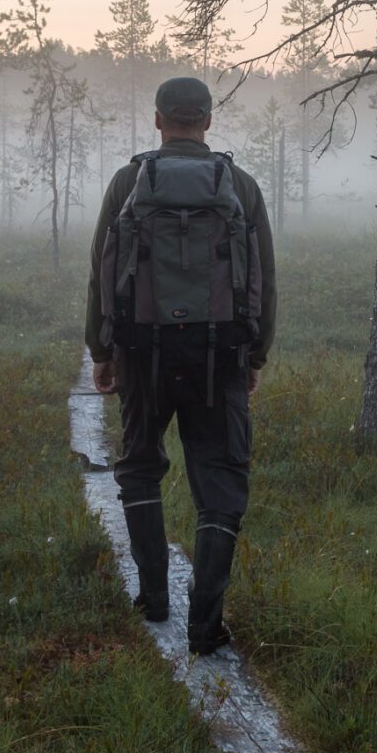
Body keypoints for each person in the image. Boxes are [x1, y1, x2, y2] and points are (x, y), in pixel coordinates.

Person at [85, 76, 276, 656]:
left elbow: (101, 270)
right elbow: (265, 280)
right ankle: (206, 624)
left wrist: (102, 350)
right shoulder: (239, 185)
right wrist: (255, 355)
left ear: (160, 120)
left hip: (144, 351)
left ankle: (153, 599)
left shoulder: (128, 182)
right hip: (220, 355)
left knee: (141, 468)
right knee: (220, 484)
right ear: (209, 121)